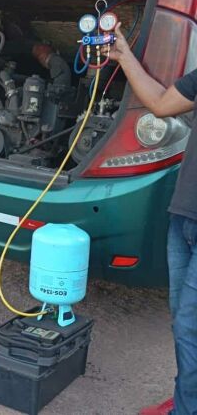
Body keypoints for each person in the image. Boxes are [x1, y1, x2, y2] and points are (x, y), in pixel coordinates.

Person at [104, 24, 197, 415]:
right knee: (182, 320)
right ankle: (186, 400)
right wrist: (124, 55)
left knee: (191, 326)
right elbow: (160, 102)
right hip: (185, 215)